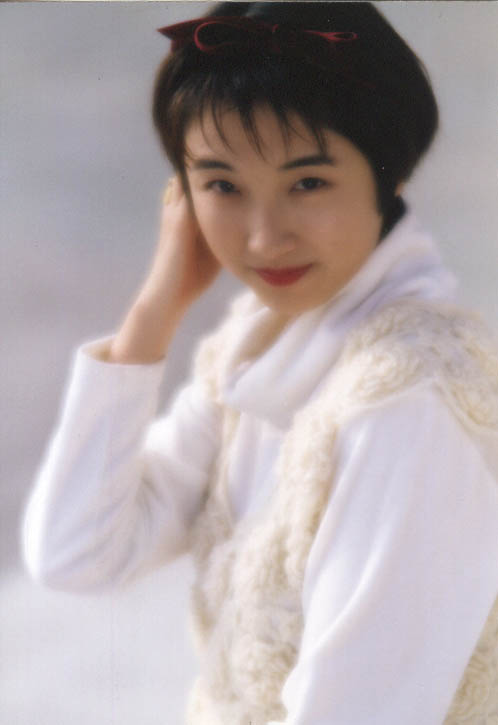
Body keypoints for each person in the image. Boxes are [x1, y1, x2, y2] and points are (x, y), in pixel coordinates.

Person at [21, 3, 498, 724]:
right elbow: (78, 553)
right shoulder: (255, 346)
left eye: (308, 182)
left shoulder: (410, 401)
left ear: (390, 173)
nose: (265, 237)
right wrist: (154, 310)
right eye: (223, 185)